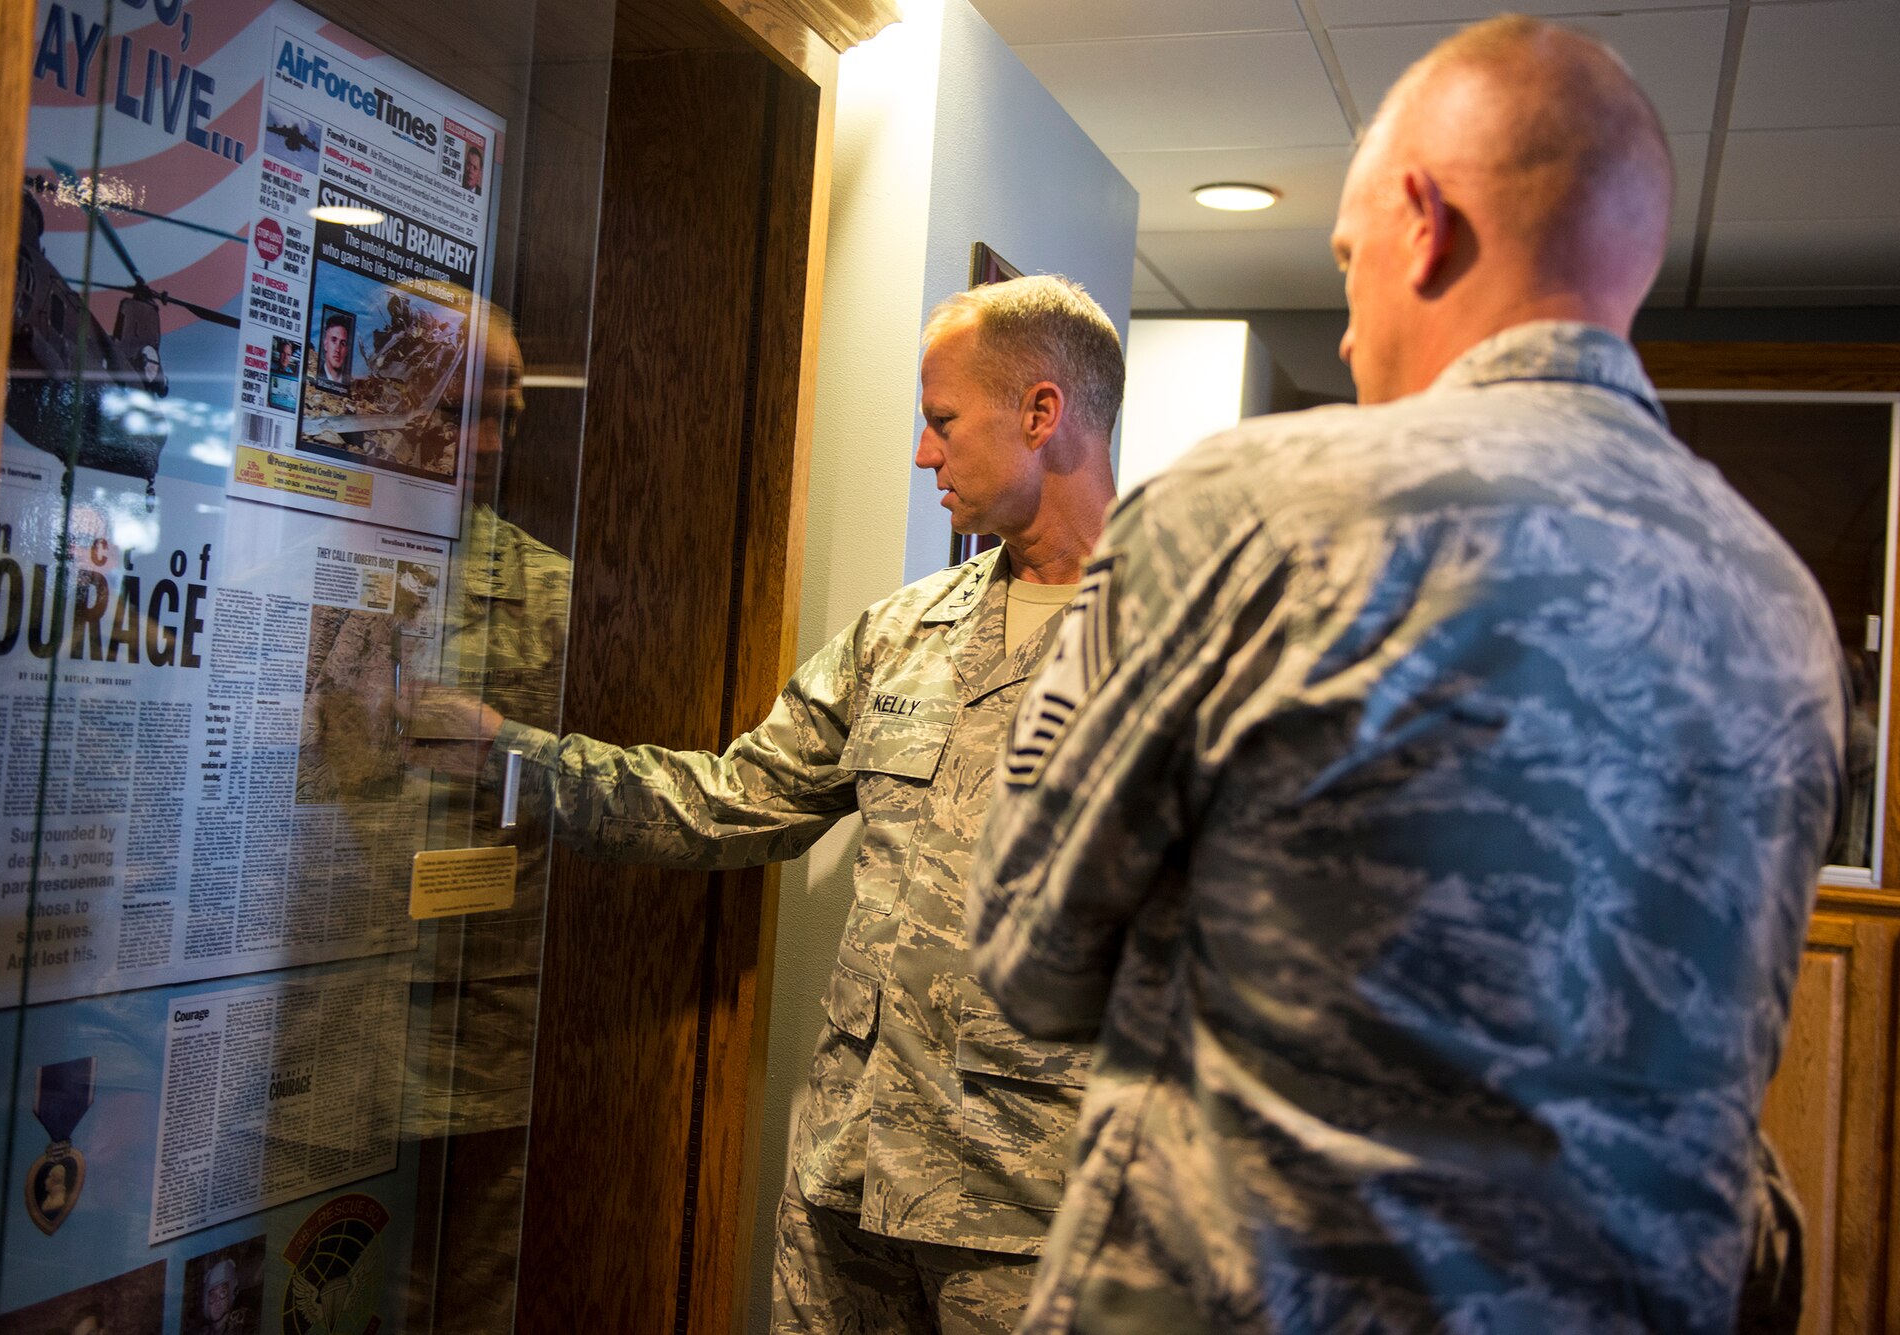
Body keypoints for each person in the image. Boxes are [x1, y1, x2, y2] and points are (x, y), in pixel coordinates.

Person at [968, 18, 1847, 1335]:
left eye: (1346, 258)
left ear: (1423, 221)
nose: (1350, 320)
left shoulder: (1251, 509)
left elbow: (1025, 958)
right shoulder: (1786, 610)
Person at [409, 275, 1123, 1333]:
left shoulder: (1205, 644)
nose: (923, 455)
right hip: (847, 1184)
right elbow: (733, 799)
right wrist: (506, 757)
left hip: (1039, 1212)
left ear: (1039, 413)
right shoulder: (904, 632)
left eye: (940, 423)